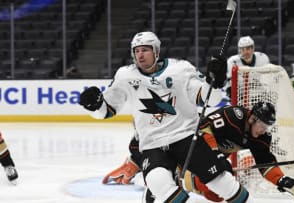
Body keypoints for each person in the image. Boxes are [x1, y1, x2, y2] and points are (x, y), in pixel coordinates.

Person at [79, 31, 255, 202]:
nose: (140, 55)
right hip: (152, 145)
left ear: (156, 51)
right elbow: (106, 111)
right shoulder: (125, 76)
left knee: (222, 184)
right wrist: (94, 106)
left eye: (145, 50)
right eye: (137, 51)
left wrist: (215, 83)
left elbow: (208, 98)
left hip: (186, 138)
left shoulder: (180, 69)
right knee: (158, 183)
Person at [102, 102, 294, 203]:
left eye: (267, 127)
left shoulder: (261, 137)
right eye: (262, 124)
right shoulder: (232, 116)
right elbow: (204, 127)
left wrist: (281, 180)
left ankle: (170, 181)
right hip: (191, 145)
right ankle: (147, 178)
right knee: (169, 175)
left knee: (215, 192)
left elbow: (265, 163)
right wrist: (215, 154)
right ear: (251, 118)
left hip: (206, 157)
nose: (264, 130)